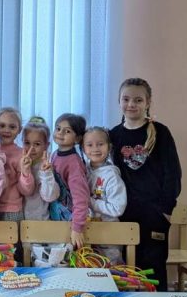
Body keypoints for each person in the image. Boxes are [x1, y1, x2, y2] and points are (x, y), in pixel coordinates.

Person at [109, 78, 181, 291]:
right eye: (126, 99)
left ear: (148, 102)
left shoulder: (161, 133)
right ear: (119, 101)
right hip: (122, 214)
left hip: (153, 215)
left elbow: (173, 174)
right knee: (125, 271)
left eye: (138, 100)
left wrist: (166, 210)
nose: (131, 104)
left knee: (153, 267)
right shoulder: (113, 135)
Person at [82, 125, 127, 263]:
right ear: (83, 148)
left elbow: (117, 208)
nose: (95, 148)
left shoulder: (111, 175)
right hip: (88, 233)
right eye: (90, 145)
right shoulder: (83, 170)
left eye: (100, 144)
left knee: (110, 272)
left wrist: (91, 202)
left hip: (108, 236)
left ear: (109, 147)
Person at [50, 113, 90, 249]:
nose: (60, 133)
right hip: (57, 213)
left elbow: (81, 198)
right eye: (58, 128)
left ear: (78, 138)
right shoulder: (55, 154)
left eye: (67, 131)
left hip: (70, 218)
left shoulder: (74, 163)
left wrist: (77, 228)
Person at [0, 107, 33, 224]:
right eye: (2, 125)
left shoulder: (22, 154)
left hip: (11, 210)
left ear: (20, 129)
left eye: (12, 127)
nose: (7, 130)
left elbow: (27, 190)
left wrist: (25, 172)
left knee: (12, 242)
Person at [20, 117, 59, 220]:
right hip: (18, 220)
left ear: (46, 145)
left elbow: (49, 196)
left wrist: (46, 174)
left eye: (37, 144)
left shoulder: (47, 166)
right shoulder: (18, 162)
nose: (31, 148)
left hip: (40, 222)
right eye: (27, 143)